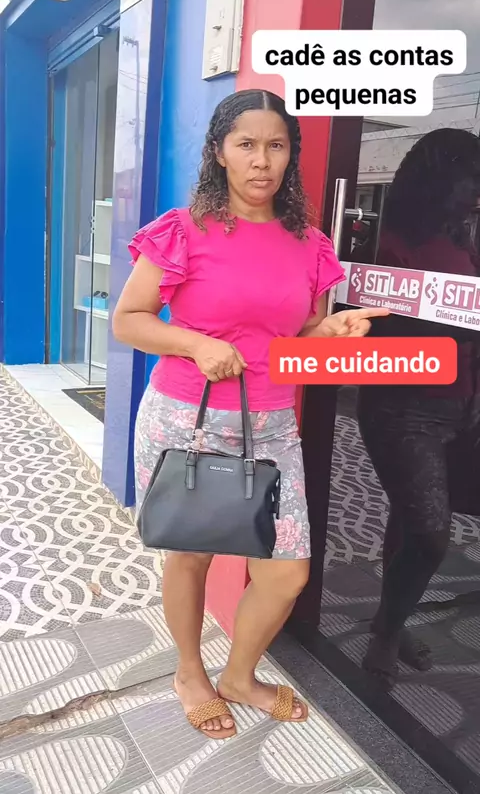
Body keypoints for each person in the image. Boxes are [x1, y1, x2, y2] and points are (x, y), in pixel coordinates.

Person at [113, 88, 387, 739]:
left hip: (272, 426)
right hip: (187, 420)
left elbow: (299, 339)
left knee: (286, 572)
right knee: (191, 555)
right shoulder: (182, 231)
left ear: (290, 155)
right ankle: (189, 672)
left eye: (276, 146)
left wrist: (332, 332)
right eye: (246, 144)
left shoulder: (310, 245)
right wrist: (195, 343)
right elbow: (129, 320)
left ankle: (239, 676)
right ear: (220, 152)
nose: (262, 160)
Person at [357, 127, 480, 688]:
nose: (477, 194)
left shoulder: (462, 238)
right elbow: (372, 334)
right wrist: (454, 328)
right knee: (431, 535)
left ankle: (392, 618)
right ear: (441, 182)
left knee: (410, 518)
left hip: (461, 404)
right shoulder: (387, 244)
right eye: (471, 182)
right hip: (402, 408)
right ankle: (387, 630)